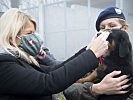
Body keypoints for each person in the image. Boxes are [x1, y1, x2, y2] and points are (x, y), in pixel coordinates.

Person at [0, 8, 111, 100]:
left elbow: (53, 69)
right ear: (11, 36)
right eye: (29, 33)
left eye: (34, 33)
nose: (35, 37)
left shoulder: (21, 59)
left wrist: (88, 50)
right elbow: (48, 82)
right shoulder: (4, 65)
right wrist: (92, 54)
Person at [64, 6, 132, 100]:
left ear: (124, 29)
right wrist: (96, 89)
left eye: (112, 26)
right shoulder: (89, 55)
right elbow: (67, 88)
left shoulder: (128, 61)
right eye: (102, 27)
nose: (106, 31)